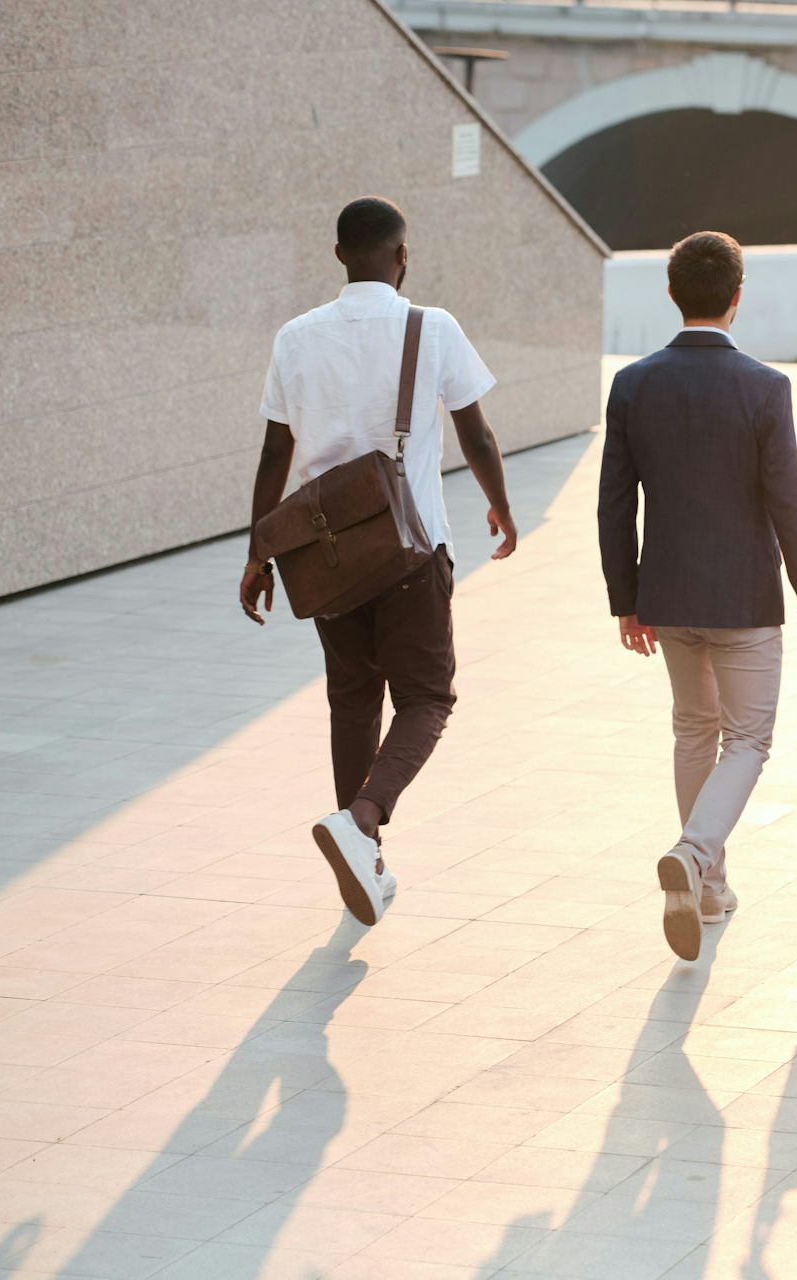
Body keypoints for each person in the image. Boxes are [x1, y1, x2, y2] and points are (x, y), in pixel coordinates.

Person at [241, 196, 518, 927]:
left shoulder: (295, 337)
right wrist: (502, 505)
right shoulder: (431, 327)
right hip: (410, 547)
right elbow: (477, 435)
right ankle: (361, 822)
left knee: (353, 700)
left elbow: (276, 453)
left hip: (325, 560)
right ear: (402, 257)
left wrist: (257, 555)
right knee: (428, 697)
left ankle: (362, 855)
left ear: (339, 255)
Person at [599, 230, 797, 962]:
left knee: (693, 730)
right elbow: (788, 504)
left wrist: (625, 598)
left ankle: (706, 885)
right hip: (745, 598)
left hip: (667, 596)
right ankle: (695, 853)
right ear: (737, 297)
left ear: (673, 294)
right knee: (750, 740)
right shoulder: (764, 387)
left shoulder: (635, 383)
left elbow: (615, 504)